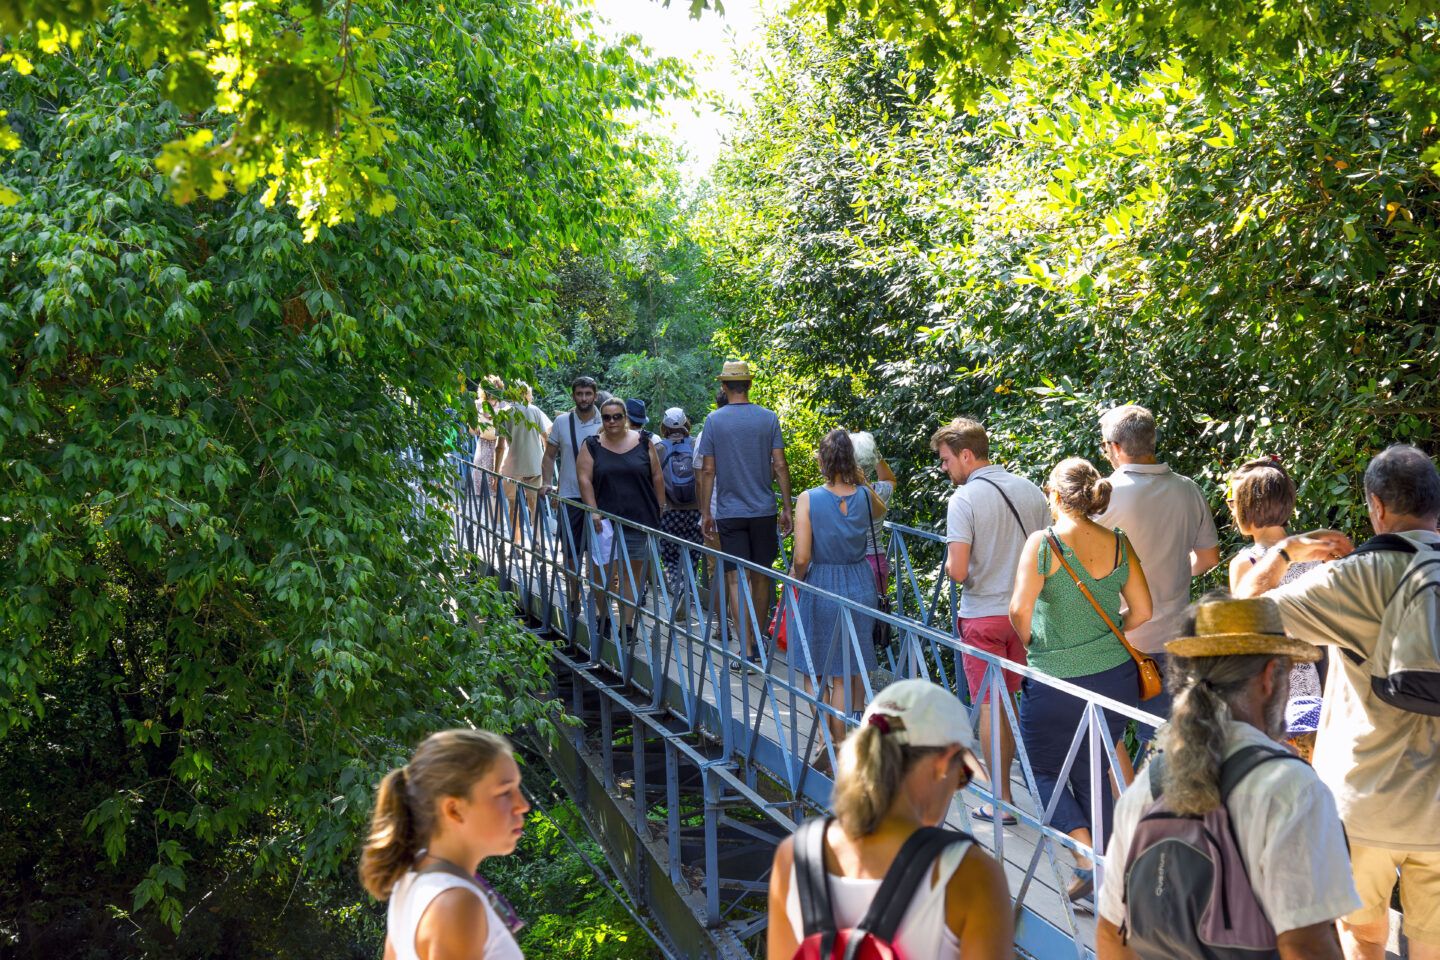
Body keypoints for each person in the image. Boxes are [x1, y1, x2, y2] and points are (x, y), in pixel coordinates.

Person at [1236, 444, 1440, 960]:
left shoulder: (1355, 577)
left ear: (1376, 506)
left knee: (1364, 937)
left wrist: (1285, 554)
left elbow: (1244, 618)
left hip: (1362, 799)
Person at [1096, 596, 1358, 960]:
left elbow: (1111, 935)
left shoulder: (1149, 784)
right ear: (1270, 677)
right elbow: (1305, 945)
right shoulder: (1291, 789)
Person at [766, 679, 1014, 960]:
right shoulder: (968, 872)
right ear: (944, 764)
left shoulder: (794, 857)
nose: (958, 786)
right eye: (963, 776)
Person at [1008, 457, 1152, 901]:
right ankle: (1115, 871)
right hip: (1114, 676)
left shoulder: (1044, 543)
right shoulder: (1119, 542)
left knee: (1041, 769)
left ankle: (1088, 859)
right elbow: (1144, 611)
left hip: (1056, 680)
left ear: (1054, 495)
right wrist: (1101, 637)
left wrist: (1042, 643)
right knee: (1099, 764)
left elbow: (1018, 610)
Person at [930, 417, 1048, 826]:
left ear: (966, 455)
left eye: (946, 460)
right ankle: (1039, 788)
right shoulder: (1031, 491)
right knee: (1016, 703)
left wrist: (948, 564)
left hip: (983, 615)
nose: (944, 469)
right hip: (1026, 613)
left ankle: (1001, 800)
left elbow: (959, 571)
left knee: (990, 705)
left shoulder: (963, 500)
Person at [1093, 404, 1219, 720]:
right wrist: (1173, 575)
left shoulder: (1104, 495)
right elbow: (1209, 557)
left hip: (1116, 637)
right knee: (1165, 739)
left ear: (1116, 447)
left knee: (1106, 738)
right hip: (1173, 635)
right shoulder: (1188, 489)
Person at [360, 728, 530, 960]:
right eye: (505, 792)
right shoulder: (457, 902)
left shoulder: (412, 880)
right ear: (454, 809)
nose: (522, 805)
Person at [791, 430, 887, 746]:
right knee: (843, 674)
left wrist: (794, 576)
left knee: (811, 668)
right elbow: (881, 510)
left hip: (822, 584)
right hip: (860, 584)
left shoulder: (808, 498)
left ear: (822, 459)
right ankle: (840, 740)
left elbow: (803, 556)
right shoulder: (864, 495)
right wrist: (857, 477)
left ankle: (826, 738)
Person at [697, 361, 793, 661]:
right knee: (762, 576)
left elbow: (708, 469)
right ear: (749, 385)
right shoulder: (768, 418)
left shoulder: (714, 421)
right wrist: (787, 508)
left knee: (736, 579)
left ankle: (747, 647)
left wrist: (705, 512)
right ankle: (758, 637)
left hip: (729, 512)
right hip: (763, 509)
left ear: (725, 386)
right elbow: (779, 465)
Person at [1224, 457, 1323, 698]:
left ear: (1250, 505)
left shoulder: (1246, 564)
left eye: (1234, 502)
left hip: (1265, 683)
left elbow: (1243, 636)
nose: (1232, 509)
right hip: (1308, 679)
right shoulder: (1315, 555)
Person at [577, 397, 665, 643]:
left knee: (632, 575)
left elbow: (657, 475)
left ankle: (626, 627)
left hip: (638, 518)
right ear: (601, 419)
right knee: (604, 574)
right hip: (604, 521)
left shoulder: (644, 441)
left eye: (617, 416)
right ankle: (603, 618)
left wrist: (661, 507)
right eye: (607, 417)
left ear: (625, 418)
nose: (612, 421)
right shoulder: (592, 444)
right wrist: (593, 510)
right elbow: (584, 478)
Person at [541, 376, 602, 613]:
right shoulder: (561, 422)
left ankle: (600, 609)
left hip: (599, 499)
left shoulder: (606, 420)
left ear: (595, 395)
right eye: (579, 394)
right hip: (569, 496)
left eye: (588, 393)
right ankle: (573, 600)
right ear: (573, 395)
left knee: (600, 557)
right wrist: (547, 482)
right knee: (570, 554)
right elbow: (549, 455)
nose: (584, 398)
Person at [657, 407, 704, 602]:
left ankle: (679, 588)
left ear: (664, 427)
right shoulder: (695, 445)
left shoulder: (659, 449)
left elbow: (654, 480)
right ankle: (689, 590)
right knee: (693, 556)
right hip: (696, 511)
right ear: (687, 423)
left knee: (670, 558)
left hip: (670, 512)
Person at [496, 382, 552, 543]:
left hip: (512, 466)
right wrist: (546, 461)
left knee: (514, 506)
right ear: (527, 393)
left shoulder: (504, 413)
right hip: (535, 465)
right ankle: (539, 542)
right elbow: (546, 438)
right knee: (534, 505)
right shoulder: (534, 410)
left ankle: (516, 543)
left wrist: (495, 472)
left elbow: (500, 447)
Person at [850, 431, 897, 593]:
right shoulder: (882, 491)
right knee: (875, 614)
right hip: (876, 562)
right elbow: (890, 478)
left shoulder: (841, 494)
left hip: (850, 564)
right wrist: (875, 454)